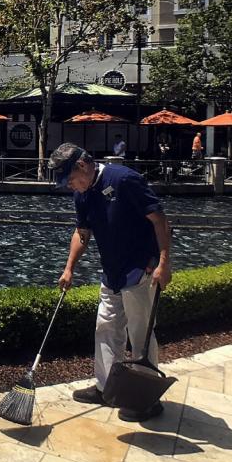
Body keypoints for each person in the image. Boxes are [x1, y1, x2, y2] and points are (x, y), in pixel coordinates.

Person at [50, 142, 172, 421]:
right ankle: (106, 389)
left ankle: (146, 399)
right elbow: (82, 233)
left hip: (140, 269)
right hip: (112, 271)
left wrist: (164, 263)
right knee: (105, 328)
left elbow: (159, 220)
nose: (70, 185)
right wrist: (69, 268)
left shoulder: (124, 179)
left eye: (70, 178)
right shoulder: (82, 195)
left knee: (140, 335)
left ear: (83, 166)